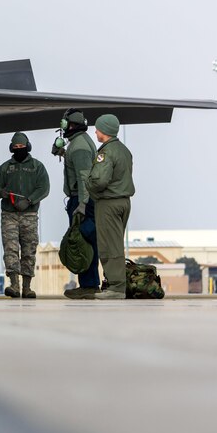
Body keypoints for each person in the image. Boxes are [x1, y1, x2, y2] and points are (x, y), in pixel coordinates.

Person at [0, 132, 50, 298]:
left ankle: (27, 287)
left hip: (29, 215)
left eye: (21, 147)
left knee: (29, 250)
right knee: (10, 249)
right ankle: (14, 285)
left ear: (27, 146)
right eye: (15, 147)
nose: (18, 149)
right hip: (9, 214)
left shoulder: (37, 167)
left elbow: (44, 188)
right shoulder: (5, 168)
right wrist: (1, 193)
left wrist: (29, 200)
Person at [86, 114, 135, 300]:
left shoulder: (105, 153)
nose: (95, 131)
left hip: (108, 203)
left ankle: (116, 287)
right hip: (123, 201)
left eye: (97, 128)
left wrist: (87, 183)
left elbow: (99, 180)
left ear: (104, 130)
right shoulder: (124, 150)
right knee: (115, 242)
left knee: (109, 245)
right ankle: (116, 284)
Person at [57, 109, 101, 298]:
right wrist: (64, 153)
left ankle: (89, 285)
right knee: (85, 241)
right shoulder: (79, 143)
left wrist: (82, 205)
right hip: (82, 198)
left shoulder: (80, 146)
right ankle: (89, 284)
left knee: (82, 243)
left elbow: (84, 179)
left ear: (70, 125)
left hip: (81, 199)